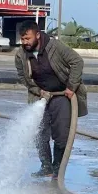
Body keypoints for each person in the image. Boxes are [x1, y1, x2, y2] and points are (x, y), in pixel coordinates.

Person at [15, 20, 87, 179]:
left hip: (61, 95)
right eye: (23, 39)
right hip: (40, 96)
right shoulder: (20, 55)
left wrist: (71, 86)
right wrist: (38, 91)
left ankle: (57, 169)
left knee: (61, 134)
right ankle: (46, 167)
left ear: (38, 35)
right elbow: (23, 77)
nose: (25, 42)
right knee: (39, 133)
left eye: (28, 38)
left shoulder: (55, 47)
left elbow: (77, 62)